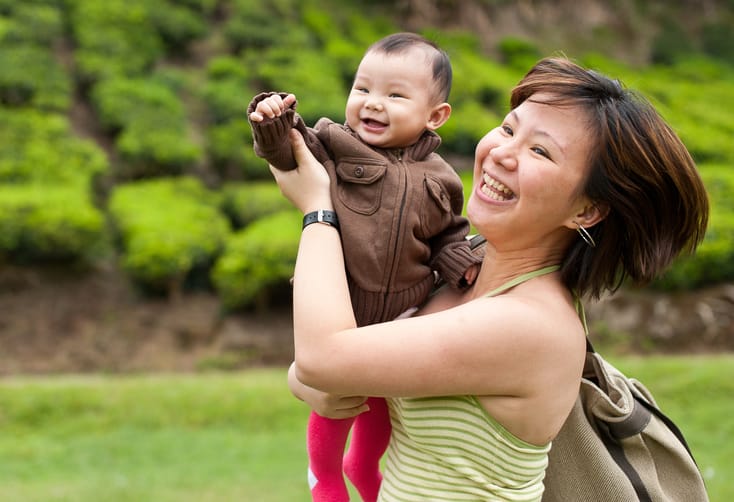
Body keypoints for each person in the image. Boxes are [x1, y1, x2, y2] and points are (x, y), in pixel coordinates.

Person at [271, 56, 709, 501]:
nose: (501, 153)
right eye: (508, 128)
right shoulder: (465, 265)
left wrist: (317, 208)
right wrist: (309, 382)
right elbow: (336, 362)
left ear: (586, 211)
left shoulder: (532, 324)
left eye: (539, 151)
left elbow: (323, 355)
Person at [248, 33, 481, 501]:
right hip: (339, 307)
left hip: (399, 320)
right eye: (363, 89)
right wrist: (274, 121)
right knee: (336, 403)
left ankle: (364, 471)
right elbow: (290, 152)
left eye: (395, 95)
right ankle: (326, 478)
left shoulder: (441, 178)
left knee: (379, 409)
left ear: (435, 116)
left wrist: (462, 264)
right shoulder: (335, 142)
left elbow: (447, 234)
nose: (373, 104)